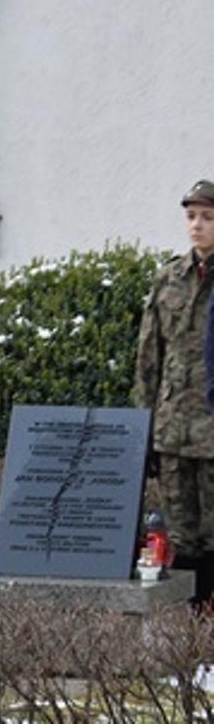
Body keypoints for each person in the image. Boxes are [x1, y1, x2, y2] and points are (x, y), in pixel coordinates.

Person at [144, 180, 214, 605]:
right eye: (191, 216)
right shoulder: (169, 279)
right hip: (173, 432)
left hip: (212, 430)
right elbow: (148, 358)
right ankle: (189, 640)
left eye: (207, 217)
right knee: (181, 537)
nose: (197, 225)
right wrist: (144, 426)